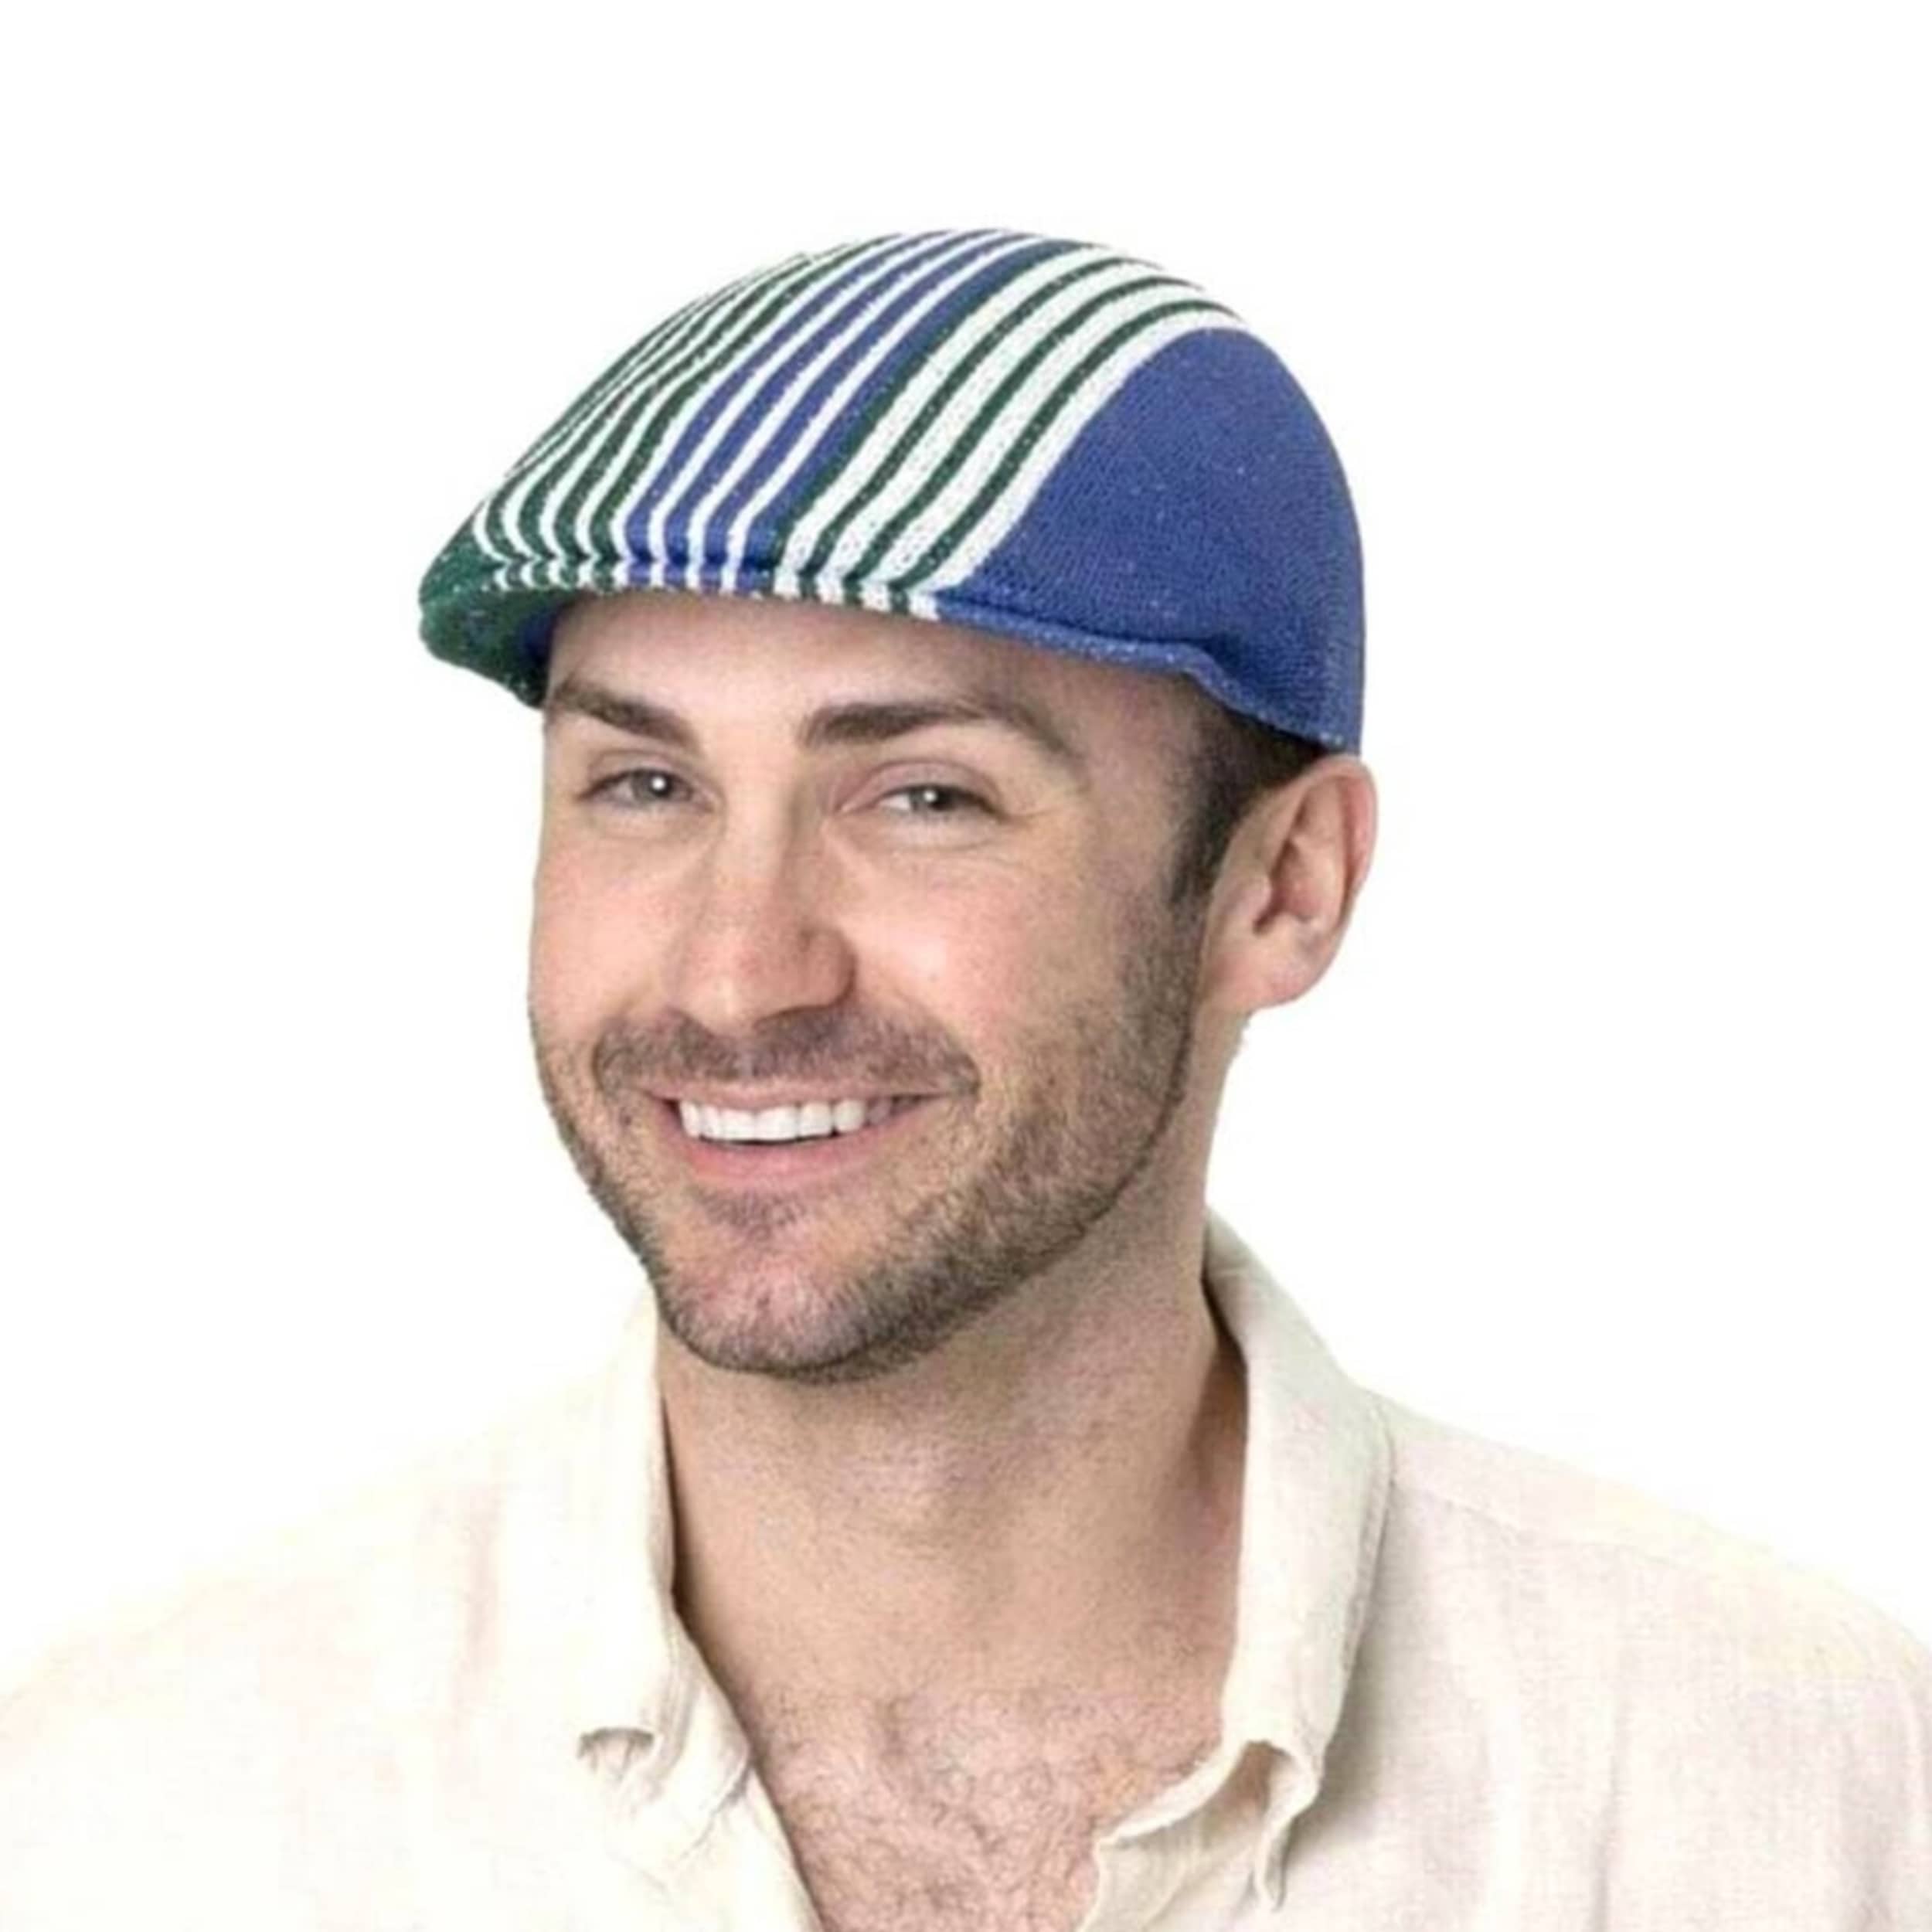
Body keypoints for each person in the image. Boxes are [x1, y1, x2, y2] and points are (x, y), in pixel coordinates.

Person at [2, 226, 1926, 1930]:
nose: (736, 970)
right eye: (644, 784)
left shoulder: (1791, 1791)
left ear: (1280, 886)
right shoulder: (129, 1815)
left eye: (923, 796)